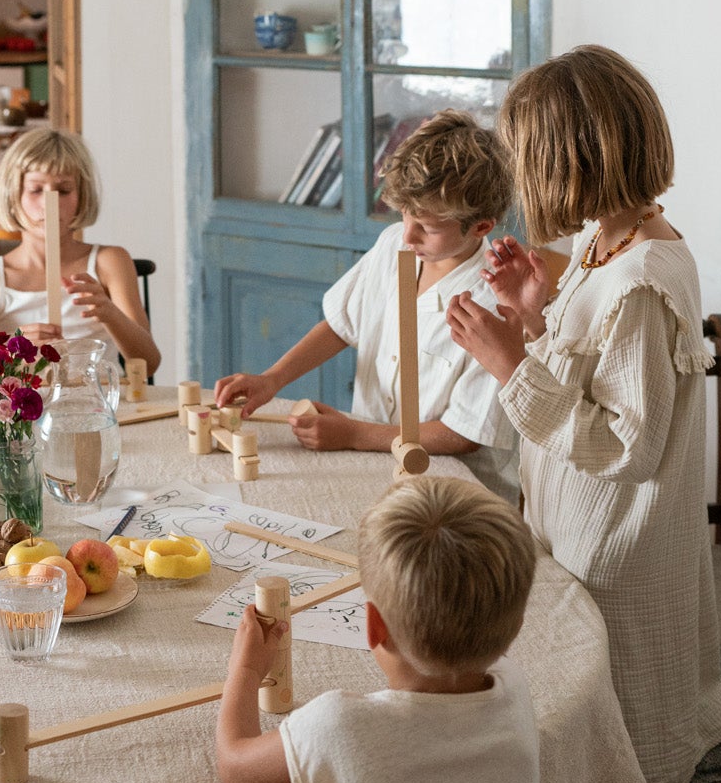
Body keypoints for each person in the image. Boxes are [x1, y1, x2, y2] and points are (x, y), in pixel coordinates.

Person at [445, 45, 721, 783]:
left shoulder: (641, 281)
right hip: (574, 524)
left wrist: (509, 362)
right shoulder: (604, 244)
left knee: (612, 718)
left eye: (524, 158)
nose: (519, 179)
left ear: (567, 160)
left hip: (612, 547)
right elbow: (590, 369)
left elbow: (625, 445)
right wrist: (534, 310)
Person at [217, 477, 555, 783]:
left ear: (373, 626)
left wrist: (245, 669)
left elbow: (235, 766)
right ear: (515, 628)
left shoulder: (340, 728)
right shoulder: (515, 691)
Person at [214, 110, 519, 497]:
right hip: (376, 465)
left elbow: (465, 434)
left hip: (455, 492)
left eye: (427, 227)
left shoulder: (494, 304)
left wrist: (355, 434)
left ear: (481, 226)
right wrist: (271, 379)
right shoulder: (393, 244)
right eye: (404, 214)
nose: (408, 234)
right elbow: (341, 324)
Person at [0, 127, 160, 374]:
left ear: (82, 196)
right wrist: (14, 350)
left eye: (63, 191)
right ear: (13, 196)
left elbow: (148, 364)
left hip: (99, 406)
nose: (49, 202)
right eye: (35, 190)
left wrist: (110, 314)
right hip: (24, 409)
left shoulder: (109, 262)